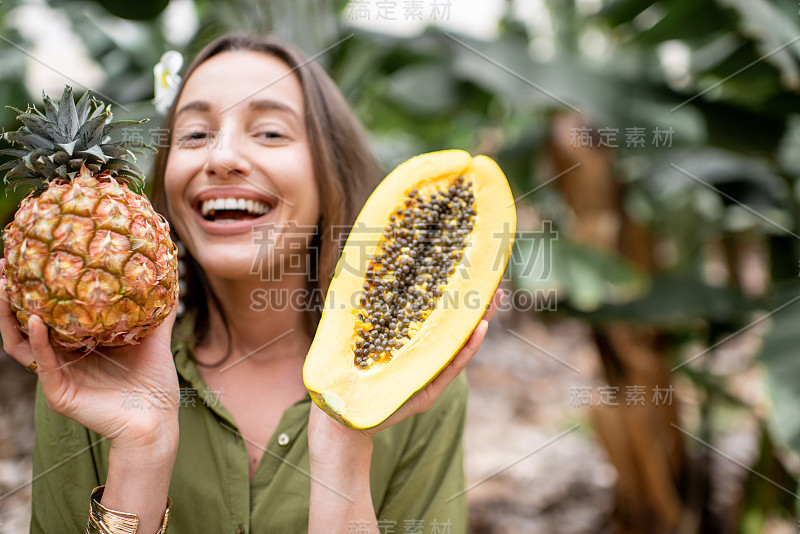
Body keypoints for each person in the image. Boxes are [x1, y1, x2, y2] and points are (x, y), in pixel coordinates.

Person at [0, 33, 502, 533]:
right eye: (195, 135)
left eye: (270, 133)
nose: (221, 158)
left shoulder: (412, 383)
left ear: (331, 168)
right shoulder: (89, 369)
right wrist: (141, 450)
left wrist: (343, 454)